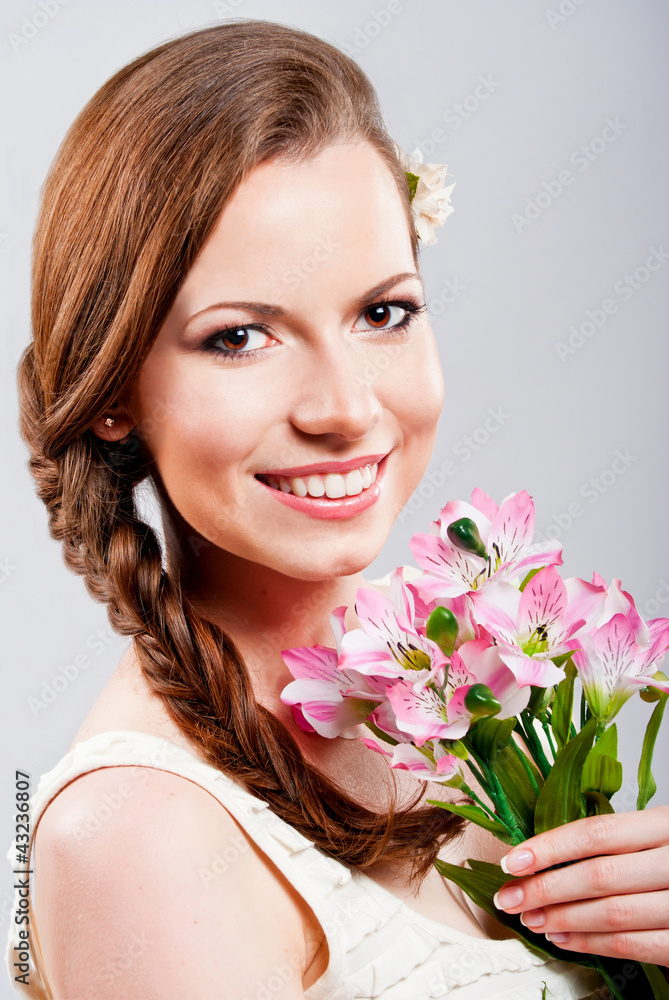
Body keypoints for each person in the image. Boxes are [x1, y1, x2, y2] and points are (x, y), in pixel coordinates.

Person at [6, 19, 668, 1000]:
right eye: (240, 338)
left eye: (383, 312)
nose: (348, 407)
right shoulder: (134, 836)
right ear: (112, 393)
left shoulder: (474, 676)